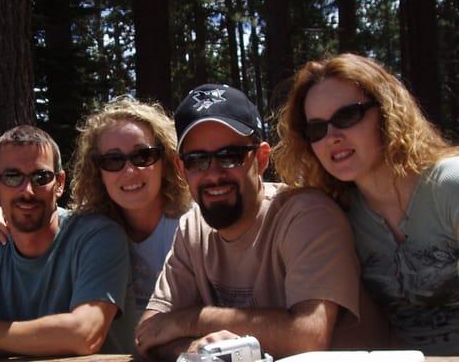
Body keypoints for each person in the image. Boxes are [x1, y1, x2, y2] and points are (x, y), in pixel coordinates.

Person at [135, 84, 385, 360]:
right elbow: (148, 332)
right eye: (197, 160)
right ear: (182, 169)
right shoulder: (193, 228)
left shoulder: (306, 215)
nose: (214, 174)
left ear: (262, 158)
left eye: (231, 156)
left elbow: (308, 336)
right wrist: (192, 351)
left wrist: (193, 320)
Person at [273, 53, 459, 355]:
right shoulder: (338, 215)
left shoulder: (450, 186)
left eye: (347, 116)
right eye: (317, 129)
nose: (332, 137)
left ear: (386, 112)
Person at [0, 97, 191, 322]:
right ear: (97, 171)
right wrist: (5, 213)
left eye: (143, 156)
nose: (129, 171)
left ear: (165, 160)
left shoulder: (194, 227)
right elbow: (47, 217)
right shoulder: (91, 230)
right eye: (113, 160)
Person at [0, 125, 135, 356]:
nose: (27, 190)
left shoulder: (98, 237)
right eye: (12, 177)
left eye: (41, 177)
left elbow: (85, 335)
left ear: (59, 184)